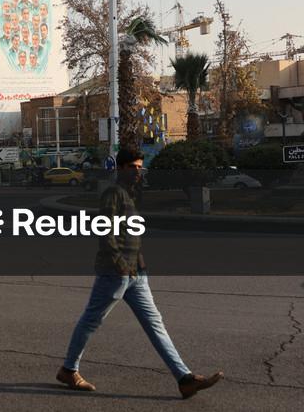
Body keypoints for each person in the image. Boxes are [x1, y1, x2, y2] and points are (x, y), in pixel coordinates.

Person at [56, 148, 224, 399]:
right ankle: (69, 369)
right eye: (133, 167)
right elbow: (105, 230)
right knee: (92, 320)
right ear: (120, 168)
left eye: (140, 167)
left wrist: (139, 263)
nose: (138, 172)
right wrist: (119, 264)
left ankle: (184, 379)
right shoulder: (113, 193)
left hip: (136, 273)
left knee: (156, 325)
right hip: (116, 272)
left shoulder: (129, 194)